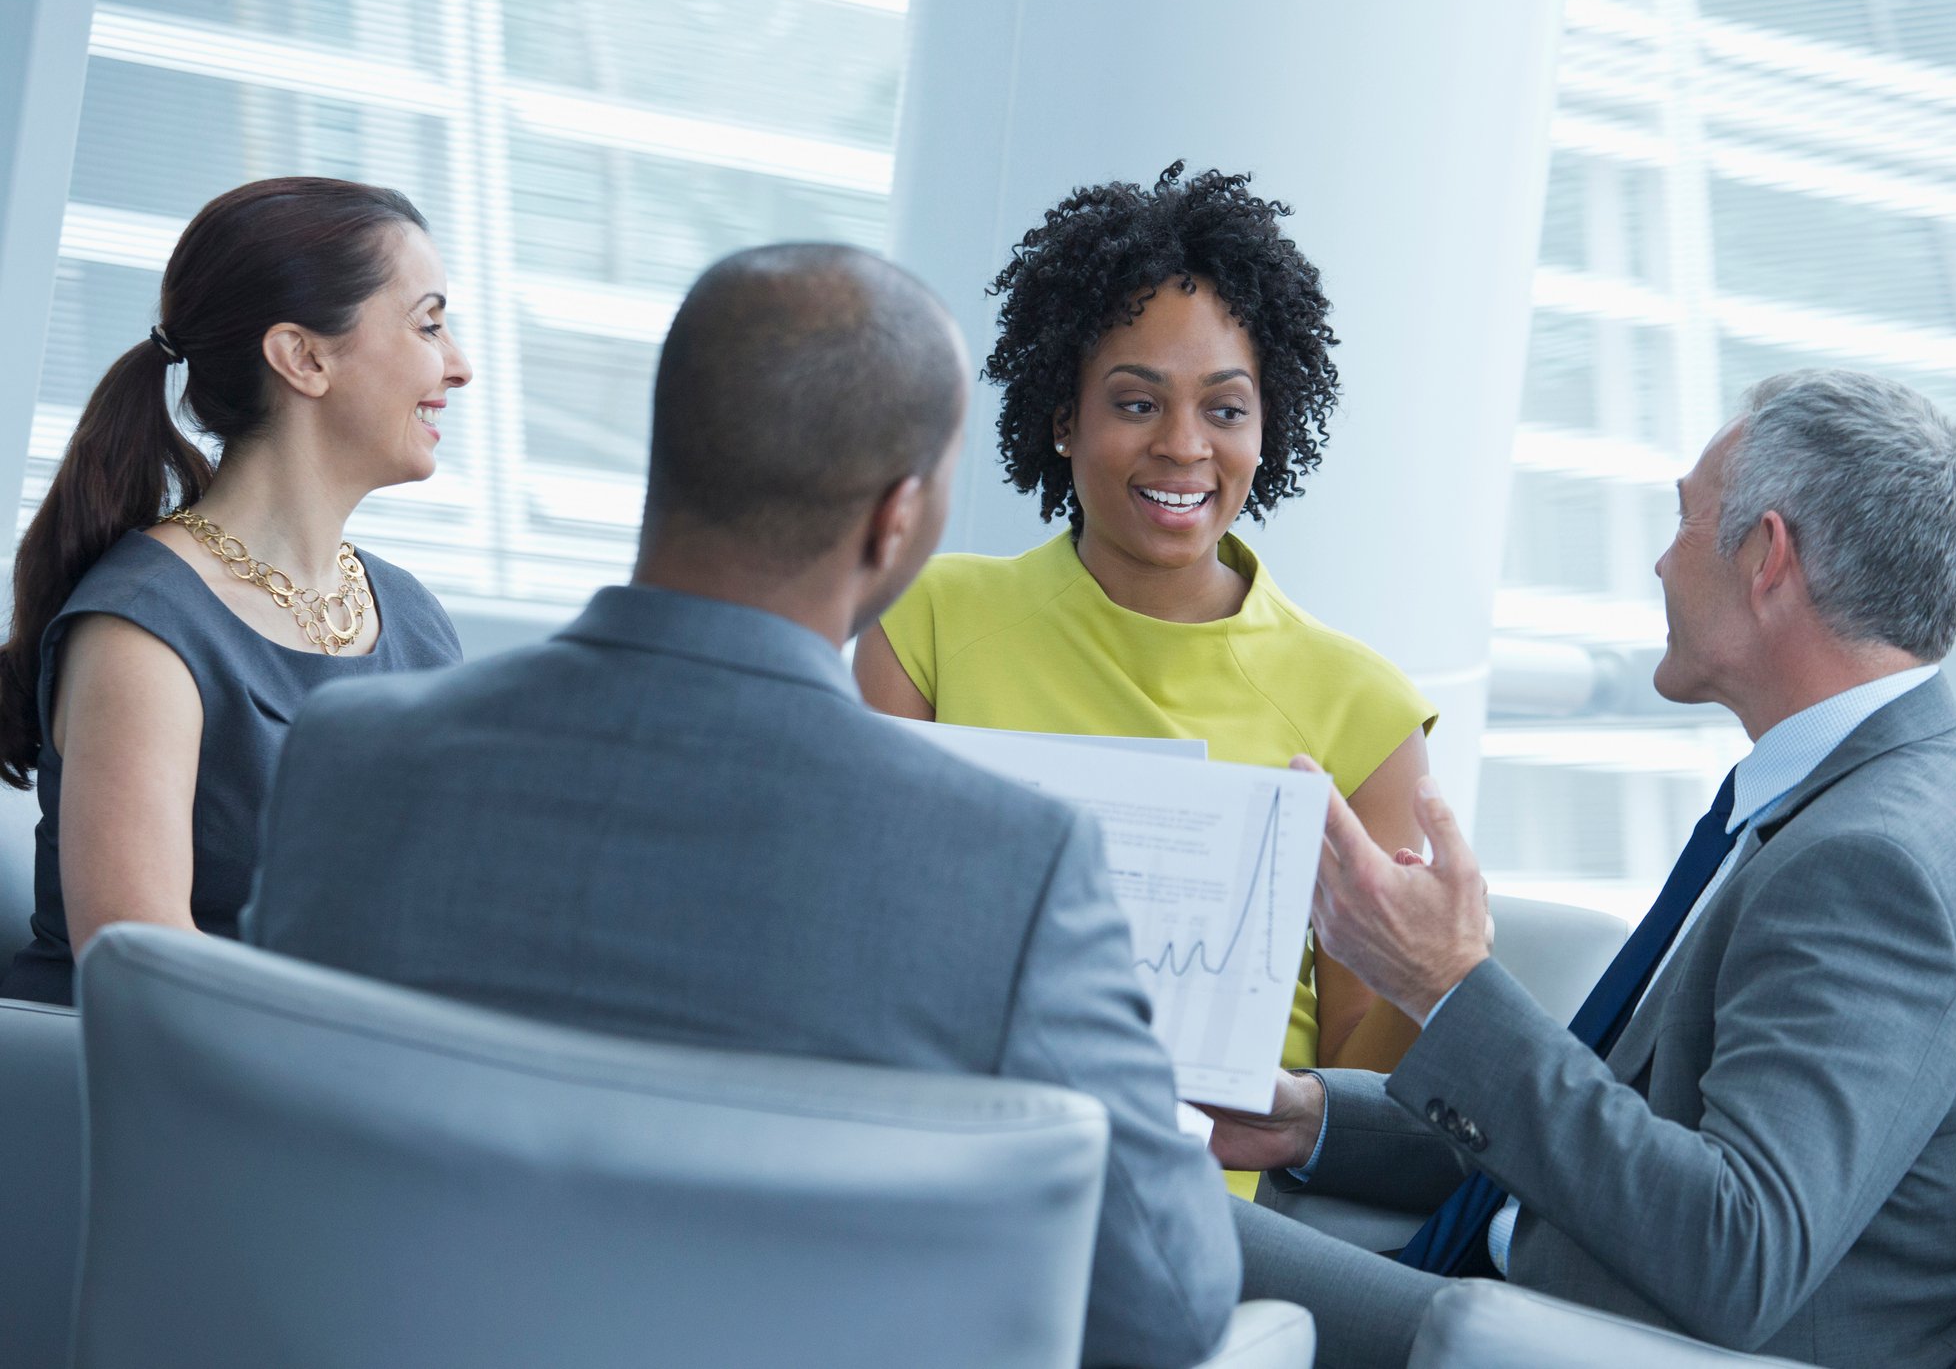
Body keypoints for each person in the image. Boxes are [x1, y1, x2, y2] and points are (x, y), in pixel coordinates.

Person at [243, 243, 1239, 1368]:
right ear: (895, 518)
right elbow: (1168, 1305)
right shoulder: (1012, 868)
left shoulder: (350, 761)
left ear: (669, 461)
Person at [1203, 369, 1956, 1369]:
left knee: (1118, 1202)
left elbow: (1735, 1252)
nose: (1659, 562)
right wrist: (1311, 1121)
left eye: (1687, 522)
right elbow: (1624, 1132)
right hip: (1522, 1288)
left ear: (1767, 556)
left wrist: (1448, 985)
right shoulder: (1847, 799)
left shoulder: (1877, 866)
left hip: (1558, 1339)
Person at [854, 166, 1438, 1192]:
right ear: (1062, 418)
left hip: (1194, 1204)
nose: (1183, 446)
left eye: (1226, 409)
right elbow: (855, 920)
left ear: (1270, 427)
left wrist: (1427, 961)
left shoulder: (1366, 709)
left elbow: (1359, 1079)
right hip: (937, 1145)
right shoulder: (929, 617)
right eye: (1136, 402)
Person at [0, 177, 468, 1005]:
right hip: (161, 1098)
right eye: (430, 324)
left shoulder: (416, 619)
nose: (457, 367)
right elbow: (143, 970)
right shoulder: (140, 632)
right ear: (303, 357)